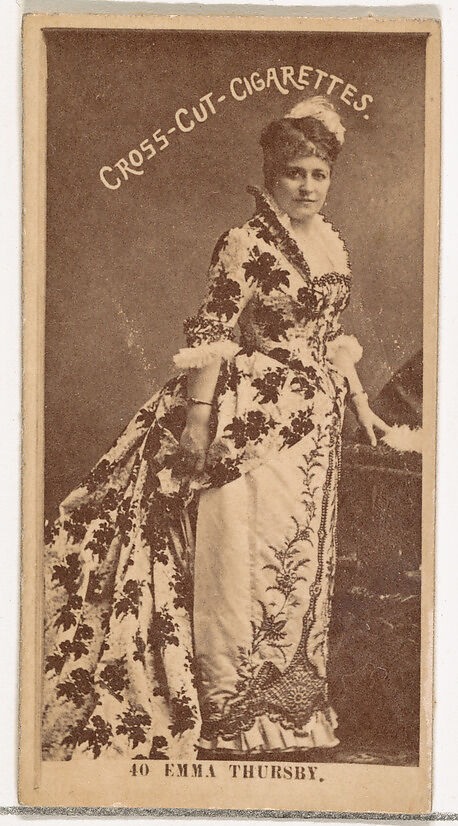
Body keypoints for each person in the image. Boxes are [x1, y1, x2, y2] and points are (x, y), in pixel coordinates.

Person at [42, 96, 388, 760]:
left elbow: (329, 336)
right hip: (248, 423)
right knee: (241, 558)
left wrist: (361, 404)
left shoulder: (328, 241)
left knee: (296, 563)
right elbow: (213, 329)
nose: (308, 187)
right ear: (271, 174)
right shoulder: (244, 241)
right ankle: (233, 713)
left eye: (319, 174)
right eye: (294, 173)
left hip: (312, 431)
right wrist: (198, 422)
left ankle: (292, 715)